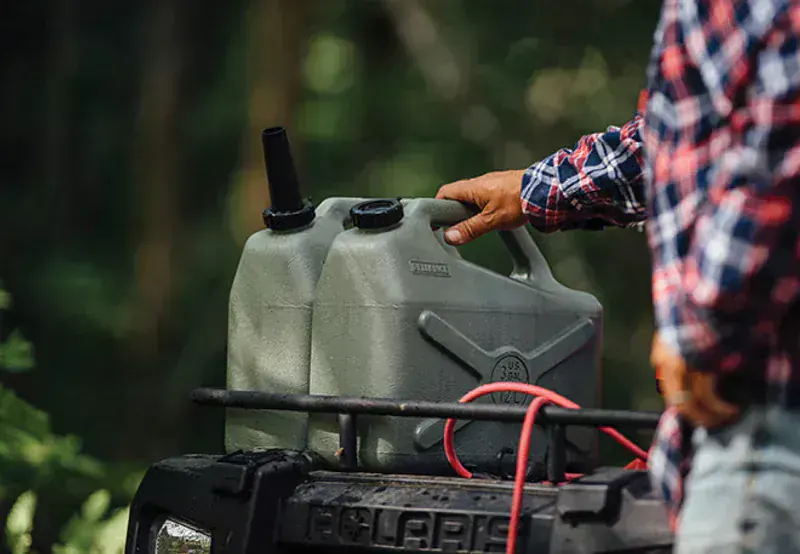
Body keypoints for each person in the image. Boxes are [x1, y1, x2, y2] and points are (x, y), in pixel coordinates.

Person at [437, 2, 800, 552]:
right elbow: (679, 136)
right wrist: (535, 188)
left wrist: (709, 329)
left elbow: (784, 146)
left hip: (766, 415)